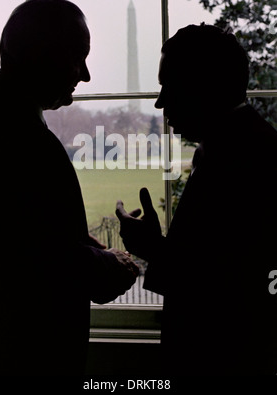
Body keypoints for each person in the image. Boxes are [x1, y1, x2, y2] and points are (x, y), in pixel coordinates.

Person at [0, 0, 139, 375]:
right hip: (24, 354)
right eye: (76, 56)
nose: (84, 74)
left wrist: (81, 247)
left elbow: (28, 232)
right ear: (39, 55)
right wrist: (108, 264)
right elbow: (30, 259)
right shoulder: (15, 135)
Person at [116, 23, 277, 375]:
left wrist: (153, 248)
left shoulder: (248, 157)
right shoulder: (240, 146)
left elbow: (226, 285)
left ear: (204, 85)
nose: (160, 101)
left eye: (168, 85)